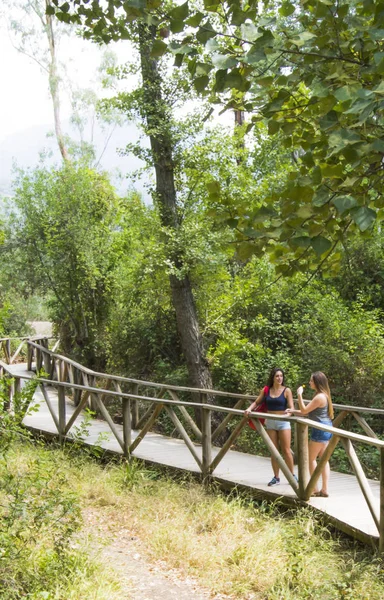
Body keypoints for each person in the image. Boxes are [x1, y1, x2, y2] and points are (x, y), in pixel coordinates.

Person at [245, 367, 297, 487]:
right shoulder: (267, 390)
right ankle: (276, 477)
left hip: (283, 422)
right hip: (270, 422)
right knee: (274, 451)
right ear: (273, 377)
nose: (279, 378)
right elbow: (257, 402)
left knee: (286, 450)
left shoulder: (287, 390)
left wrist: (288, 414)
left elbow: (291, 407)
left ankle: (292, 476)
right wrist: (249, 409)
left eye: (281, 376)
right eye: (277, 376)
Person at [286, 371, 334, 497]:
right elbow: (308, 412)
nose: (309, 382)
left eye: (311, 381)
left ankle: (314, 488)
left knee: (310, 459)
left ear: (317, 382)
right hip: (327, 429)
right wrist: (293, 411)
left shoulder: (319, 397)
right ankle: (324, 489)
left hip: (320, 431)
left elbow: (305, 410)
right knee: (323, 460)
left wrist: (299, 395)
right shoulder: (324, 395)